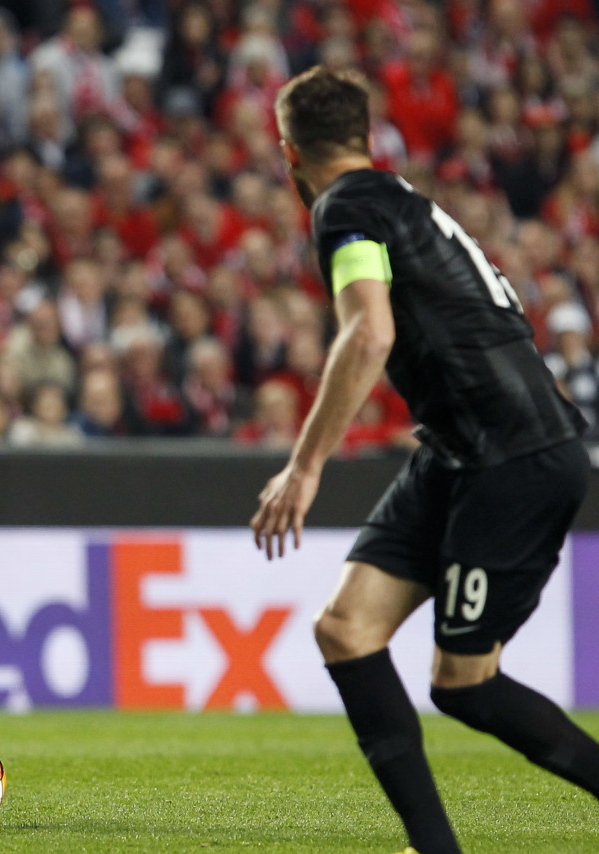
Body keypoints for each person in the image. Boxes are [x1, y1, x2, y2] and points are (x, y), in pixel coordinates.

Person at [250, 66, 599, 854]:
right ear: (368, 137)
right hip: (461, 447)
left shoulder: (345, 210)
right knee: (346, 629)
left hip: (515, 454)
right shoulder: (398, 198)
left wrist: (305, 466)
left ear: (289, 151)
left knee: (465, 684)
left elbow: (368, 331)